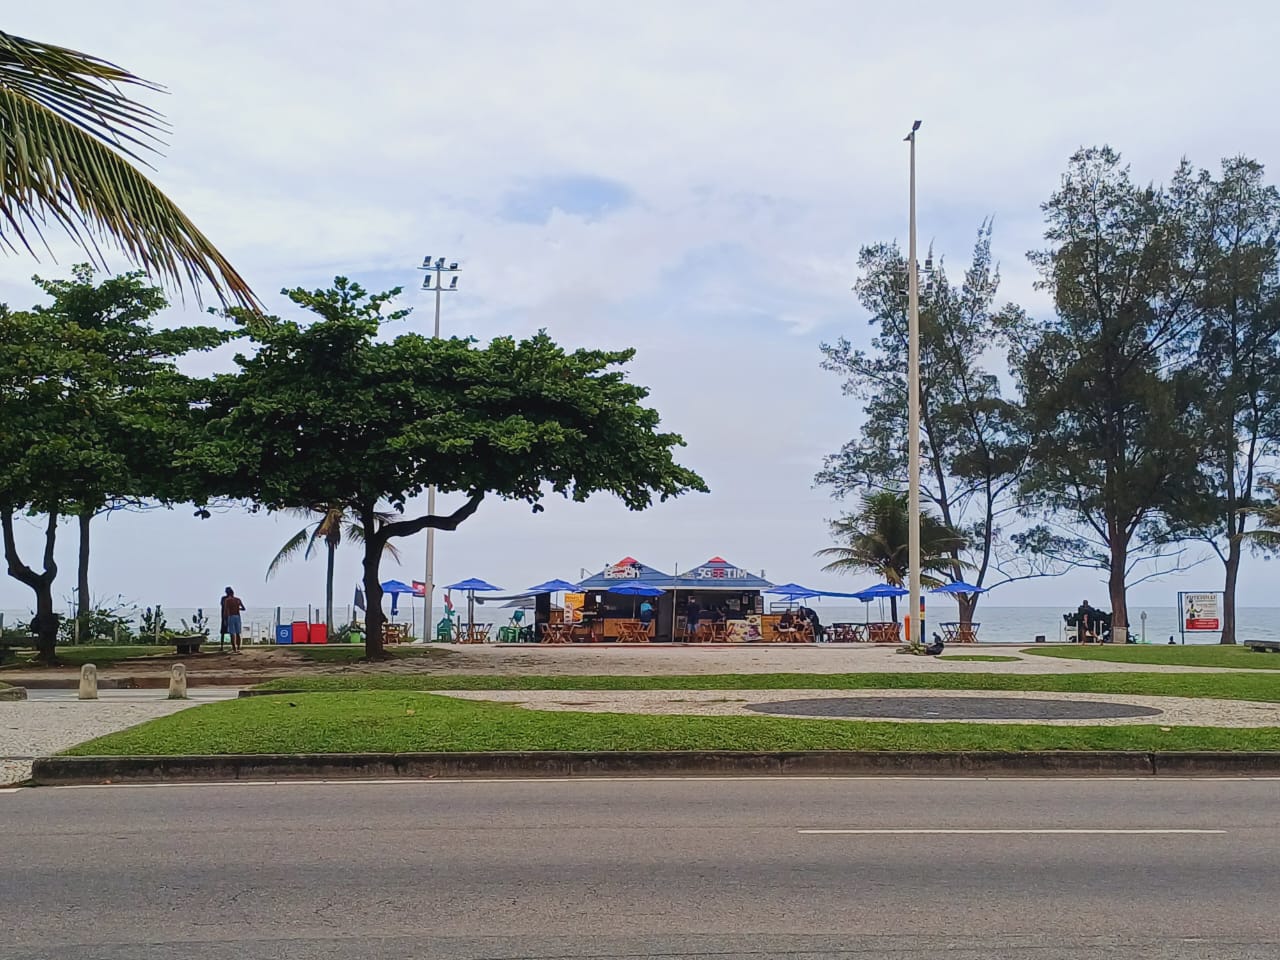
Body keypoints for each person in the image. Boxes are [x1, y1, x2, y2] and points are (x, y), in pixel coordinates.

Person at [222, 587, 246, 653]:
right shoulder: (238, 599)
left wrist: (225, 619)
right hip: (237, 616)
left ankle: (234, 649)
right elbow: (243, 608)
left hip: (231, 616)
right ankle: (238, 648)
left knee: (232, 633)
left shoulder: (227, 600)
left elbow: (225, 610)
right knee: (238, 633)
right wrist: (238, 609)